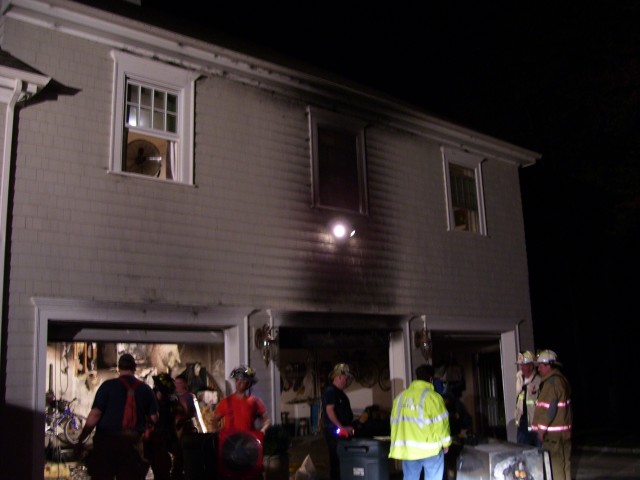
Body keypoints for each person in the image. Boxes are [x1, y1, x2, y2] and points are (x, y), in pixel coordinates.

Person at [75, 353, 159, 480]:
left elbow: (95, 414)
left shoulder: (107, 386)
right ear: (134, 368)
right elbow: (154, 418)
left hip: (106, 443)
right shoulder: (146, 389)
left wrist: (82, 438)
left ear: (119, 368)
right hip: (132, 444)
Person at [389, 364, 451, 480]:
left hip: (409, 450)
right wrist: (446, 444)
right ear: (431, 379)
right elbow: (441, 424)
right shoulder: (434, 398)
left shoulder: (400, 398)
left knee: (410, 477)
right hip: (431, 450)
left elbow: (394, 423)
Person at [212, 366, 270, 480]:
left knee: (249, 475)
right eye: (237, 380)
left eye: (243, 380)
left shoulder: (255, 402)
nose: (239, 383)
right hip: (230, 447)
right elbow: (214, 419)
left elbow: (266, 420)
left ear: (249, 384)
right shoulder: (226, 402)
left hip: (249, 446)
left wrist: (263, 430)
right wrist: (218, 432)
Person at [532, 349, 573, 480]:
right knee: (565, 465)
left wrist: (541, 429)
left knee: (555, 468)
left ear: (549, 366)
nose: (539, 369)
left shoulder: (551, 383)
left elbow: (551, 409)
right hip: (564, 434)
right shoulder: (562, 381)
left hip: (553, 436)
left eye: (541, 366)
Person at [321, 363, 355, 480]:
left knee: (342, 461)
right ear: (339, 377)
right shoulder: (331, 391)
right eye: (345, 378)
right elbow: (330, 411)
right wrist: (341, 428)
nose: (346, 381)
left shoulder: (340, 393)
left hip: (341, 431)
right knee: (337, 462)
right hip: (334, 433)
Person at [144, 372, 177, 480]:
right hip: (149, 440)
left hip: (161, 440)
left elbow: (170, 423)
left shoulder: (168, 402)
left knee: (162, 471)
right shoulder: (148, 400)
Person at [172, 373, 200, 480]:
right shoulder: (174, 397)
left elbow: (190, 412)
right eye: (176, 383)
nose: (177, 385)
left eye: (179, 383)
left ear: (185, 384)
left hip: (185, 430)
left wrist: (180, 419)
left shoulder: (188, 397)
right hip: (176, 430)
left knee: (183, 457)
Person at [514, 350, 541, 447]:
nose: (521, 368)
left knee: (539, 454)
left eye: (523, 365)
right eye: (520, 365)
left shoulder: (539, 381)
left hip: (536, 424)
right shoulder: (520, 381)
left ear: (531, 366)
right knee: (522, 453)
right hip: (522, 425)